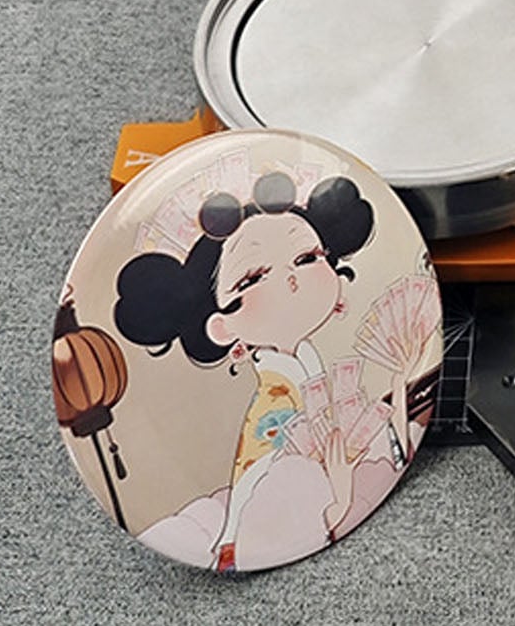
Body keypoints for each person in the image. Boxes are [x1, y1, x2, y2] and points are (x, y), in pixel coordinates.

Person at [112, 170, 411, 571]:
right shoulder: (276, 405)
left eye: (306, 259)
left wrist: (399, 389)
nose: (291, 280)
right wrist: (338, 503)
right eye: (253, 278)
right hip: (271, 520)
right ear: (221, 326)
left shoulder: (307, 368)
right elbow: (276, 497)